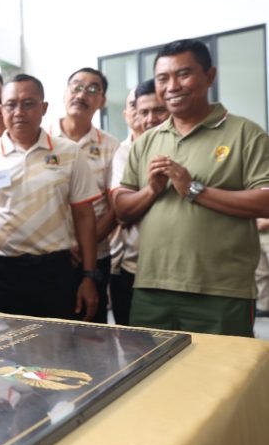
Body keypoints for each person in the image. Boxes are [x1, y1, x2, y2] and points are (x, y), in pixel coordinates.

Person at [113, 39, 269, 336]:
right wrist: (151, 191)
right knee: (154, 375)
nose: (172, 86)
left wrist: (195, 190)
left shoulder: (245, 133)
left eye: (183, 74)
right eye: (163, 78)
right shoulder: (146, 140)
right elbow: (121, 208)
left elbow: (265, 202)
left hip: (222, 289)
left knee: (223, 379)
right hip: (151, 287)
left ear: (209, 76)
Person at [0, 74, 99, 320]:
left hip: (54, 271)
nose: (19, 111)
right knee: (3, 352)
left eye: (28, 103)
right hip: (0, 273)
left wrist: (89, 275)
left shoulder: (69, 153)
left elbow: (84, 216)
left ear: (43, 108)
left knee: (56, 350)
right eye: (11, 104)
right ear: (1, 109)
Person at [48, 68, 119, 323]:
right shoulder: (41, 136)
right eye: (76, 87)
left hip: (95, 258)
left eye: (92, 90)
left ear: (102, 101)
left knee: (91, 336)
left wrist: (83, 246)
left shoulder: (111, 147)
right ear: (65, 93)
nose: (82, 95)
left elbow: (115, 209)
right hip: (48, 257)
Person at [109, 79, 169, 325]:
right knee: (136, 348)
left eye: (158, 110)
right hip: (135, 266)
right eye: (142, 110)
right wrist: (153, 190)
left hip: (190, 269)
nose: (150, 118)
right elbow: (122, 211)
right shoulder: (124, 152)